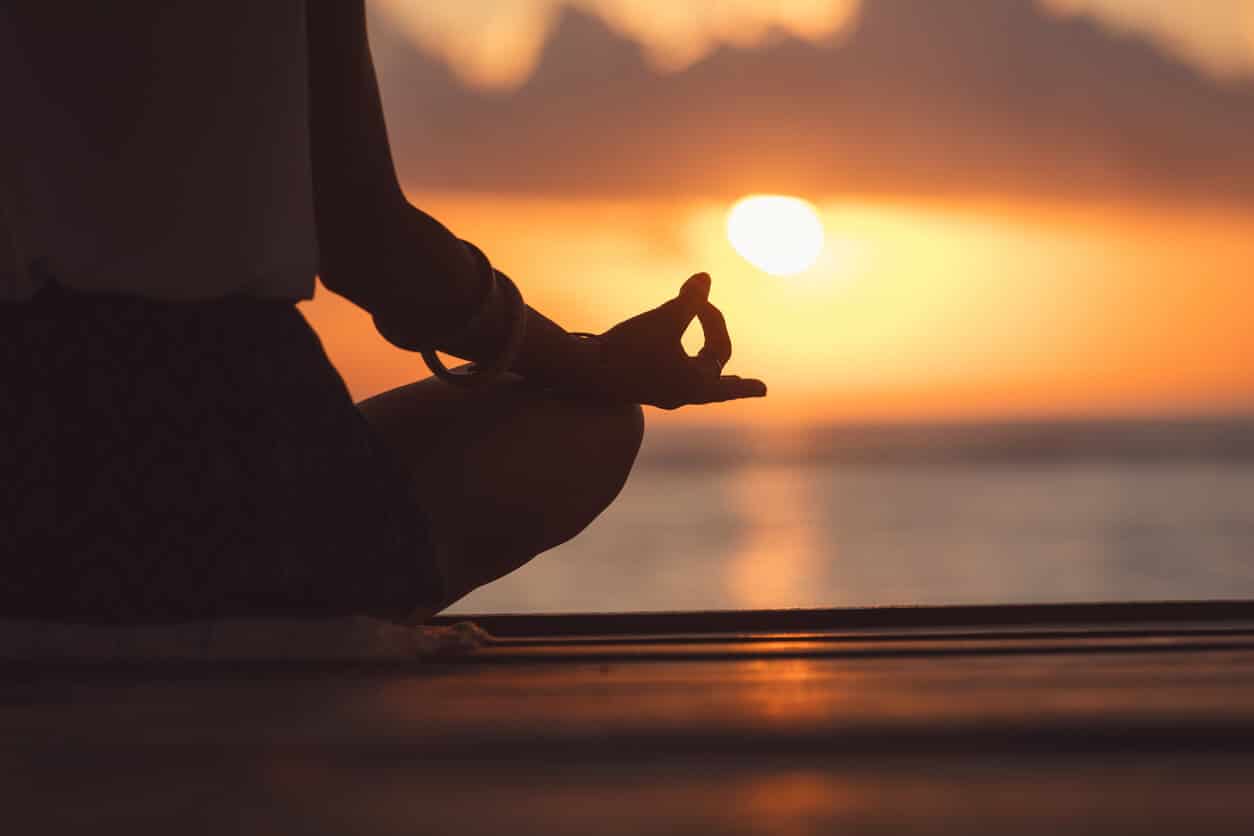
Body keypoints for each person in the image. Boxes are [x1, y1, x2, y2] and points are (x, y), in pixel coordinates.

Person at [0, 1, 765, 626]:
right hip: (223, 442)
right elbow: (367, 241)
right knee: (592, 424)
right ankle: (295, 621)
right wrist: (588, 363)